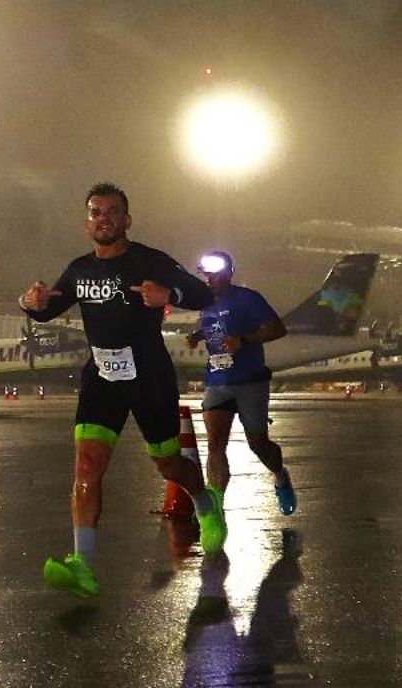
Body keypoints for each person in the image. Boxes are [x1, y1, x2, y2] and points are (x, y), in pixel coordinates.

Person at [19, 183, 228, 599]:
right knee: (86, 468)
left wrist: (171, 295)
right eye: (96, 212)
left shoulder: (149, 261)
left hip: (149, 378)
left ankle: (205, 503)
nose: (104, 218)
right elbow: (46, 310)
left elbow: (204, 293)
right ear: (86, 223)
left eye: (112, 212)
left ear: (127, 220)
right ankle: (83, 565)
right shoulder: (79, 270)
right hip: (102, 379)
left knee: (169, 465)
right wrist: (30, 302)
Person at [186, 251, 296, 515]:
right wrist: (198, 335)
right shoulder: (205, 303)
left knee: (258, 444)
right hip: (217, 380)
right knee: (215, 444)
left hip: (250, 381)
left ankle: (280, 475)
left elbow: (277, 329)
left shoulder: (248, 299)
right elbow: (217, 327)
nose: (211, 279)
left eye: (217, 274)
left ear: (229, 273)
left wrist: (243, 340)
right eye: (207, 275)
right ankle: (217, 510)